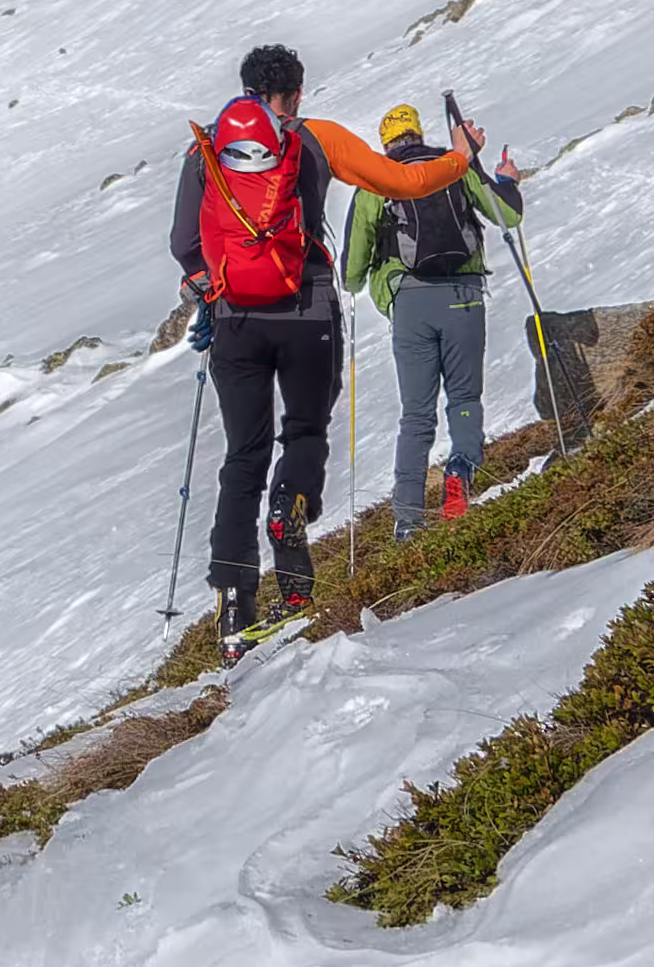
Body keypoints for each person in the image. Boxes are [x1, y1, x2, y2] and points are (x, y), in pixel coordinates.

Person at [166, 43, 478, 640]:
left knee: (242, 456)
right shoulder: (316, 138)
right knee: (304, 434)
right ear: (297, 94)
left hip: (235, 319)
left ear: (246, 86)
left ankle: (235, 608)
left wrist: (212, 292)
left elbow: (185, 242)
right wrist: (460, 158)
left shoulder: (205, 150)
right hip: (307, 308)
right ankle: (291, 519)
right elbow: (402, 182)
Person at [346, 101, 527, 527]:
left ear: (386, 142)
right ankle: (460, 471)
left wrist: (374, 280)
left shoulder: (376, 182)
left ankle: (407, 522)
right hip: (463, 295)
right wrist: (505, 180)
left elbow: (352, 272)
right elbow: (508, 214)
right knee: (464, 398)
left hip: (410, 305)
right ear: (420, 133)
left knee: (416, 414)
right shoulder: (454, 166)